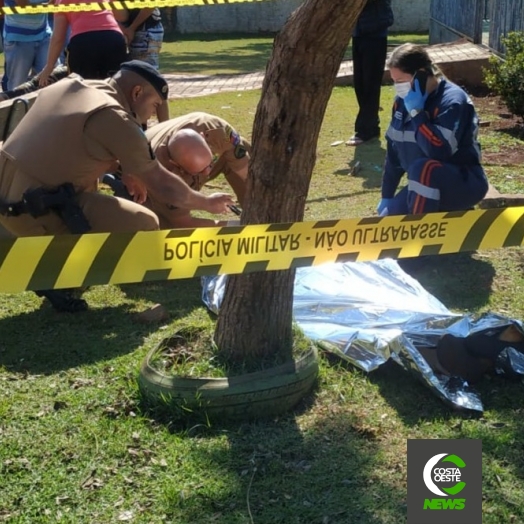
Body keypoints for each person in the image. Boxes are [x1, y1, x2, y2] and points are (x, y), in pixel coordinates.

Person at [0, 60, 234, 312]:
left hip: (8, 196)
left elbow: (75, 146)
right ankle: (61, 279)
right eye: (155, 105)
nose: (154, 114)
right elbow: (164, 185)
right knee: (144, 223)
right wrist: (207, 202)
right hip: (33, 211)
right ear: (136, 93)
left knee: (91, 182)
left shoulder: (73, 85)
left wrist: (127, 171)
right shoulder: (115, 117)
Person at [377, 43, 489, 217]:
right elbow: (394, 153)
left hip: (464, 182)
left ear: (421, 74)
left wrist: (417, 114)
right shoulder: (401, 102)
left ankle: (418, 237)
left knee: (424, 168)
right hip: (423, 185)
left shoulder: (452, 101)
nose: (397, 87)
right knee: (389, 221)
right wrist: (387, 196)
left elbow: (438, 151)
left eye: (401, 81)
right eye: (394, 81)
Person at [105, 112, 250, 229]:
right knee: (163, 226)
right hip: (140, 179)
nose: (207, 173)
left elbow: (247, 172)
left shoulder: (216, 130)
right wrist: (236, 227)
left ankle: (256, 215)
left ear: (203, 137)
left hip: (201, 150)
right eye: (200, 171)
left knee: (244, 155)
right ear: (175, 164)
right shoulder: (160, 174)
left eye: (210, 164)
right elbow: (183, 223)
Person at [38, 0, 127, 84]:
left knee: (82, 89)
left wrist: (49, 67)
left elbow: (58, 37)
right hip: (113, 40)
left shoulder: (62, 1)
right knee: (115, 86)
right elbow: (122, 16)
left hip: (83, 44)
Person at [346, 0, 394, 146]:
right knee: (360, 83)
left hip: (375, 34)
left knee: (370, 83)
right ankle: (372, 126)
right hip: (359, 32)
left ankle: (365, 130)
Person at [3, 0, 53, 90]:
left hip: (44, 35)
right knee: (17, 87)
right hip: (18, 39)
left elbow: (54, 3)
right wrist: (47, 6)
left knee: (51, 81)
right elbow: (23, 5)